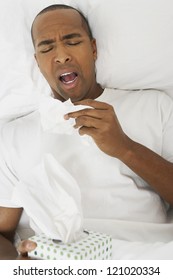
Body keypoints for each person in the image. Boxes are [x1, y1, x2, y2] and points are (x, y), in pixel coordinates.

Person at [0, 4, 173, 260]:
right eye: (47, 48)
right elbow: (2, 233)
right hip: (57, 263)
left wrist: (125, 147)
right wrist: (16, 265)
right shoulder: (14, 135)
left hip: (148, 259)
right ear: (38, 62)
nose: (61, 56)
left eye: (72, 42)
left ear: (93, 49)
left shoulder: (155, 106)